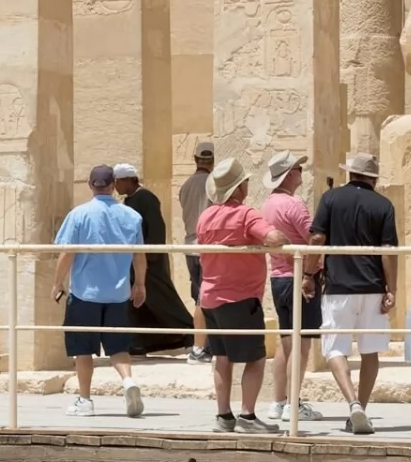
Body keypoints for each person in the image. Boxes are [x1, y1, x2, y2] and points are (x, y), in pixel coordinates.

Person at [306, 153, 398, 436]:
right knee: (371, 351)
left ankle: (353, 404)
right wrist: (391, 289)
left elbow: (317, 238)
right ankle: (363, 408)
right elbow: (388, 252)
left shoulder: (330, 198)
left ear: (350, 173)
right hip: (373, 287)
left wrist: (308, 275)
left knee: (335, 347)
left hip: (339, 287)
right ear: (373, 178)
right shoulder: (384, 204)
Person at [197, 157, 288, 433]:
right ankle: (247, 417)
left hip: (210, 297)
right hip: (239, 298)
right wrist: (283, 238)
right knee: (256, 358)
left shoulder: (205, 217)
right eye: (245, 182)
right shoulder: (246, 214)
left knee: (222, 358)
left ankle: (224, 416)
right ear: (238, 188)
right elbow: (273, 238)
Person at [51, 165, 148, 418]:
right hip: (118, 294)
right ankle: (128, 381)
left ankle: (85, 400)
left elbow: (67, 253)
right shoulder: (132, 216)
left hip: (86, 293)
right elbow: (139, 256)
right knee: (118, 347)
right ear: (114, 185)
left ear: (90, 184)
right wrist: (140, 284)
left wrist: (57, 282)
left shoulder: (79, 214)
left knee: (82, 349)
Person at [260, 151, 324, 423]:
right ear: (289, 175)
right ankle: (293, 404)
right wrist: (312, 271)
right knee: (301, 345)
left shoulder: (267, 204)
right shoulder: (294, 205)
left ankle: (278, 401)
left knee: (286, 344)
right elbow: (314, 238)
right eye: (298, 168)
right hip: (300, 276)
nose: (301, 172)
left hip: (278, 278)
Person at [113, 163, 194, 355]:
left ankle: (191, 332)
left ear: (127, 180)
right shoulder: (129, 200)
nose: (115, 186)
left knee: (163, 301)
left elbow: (157, 229)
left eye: (117, 182)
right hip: (135, 262)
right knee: (137, 304)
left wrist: (148, 257)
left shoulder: (146, 198)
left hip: (150, 263)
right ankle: (142, 342)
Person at [179, 142, 216, 364]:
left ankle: (203, 345)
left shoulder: (185, 185)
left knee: (199, 297)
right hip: (207, 247)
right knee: (204, 300)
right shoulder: (213, 184)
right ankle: (199, 348)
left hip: (190, 246)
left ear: (195, 160)